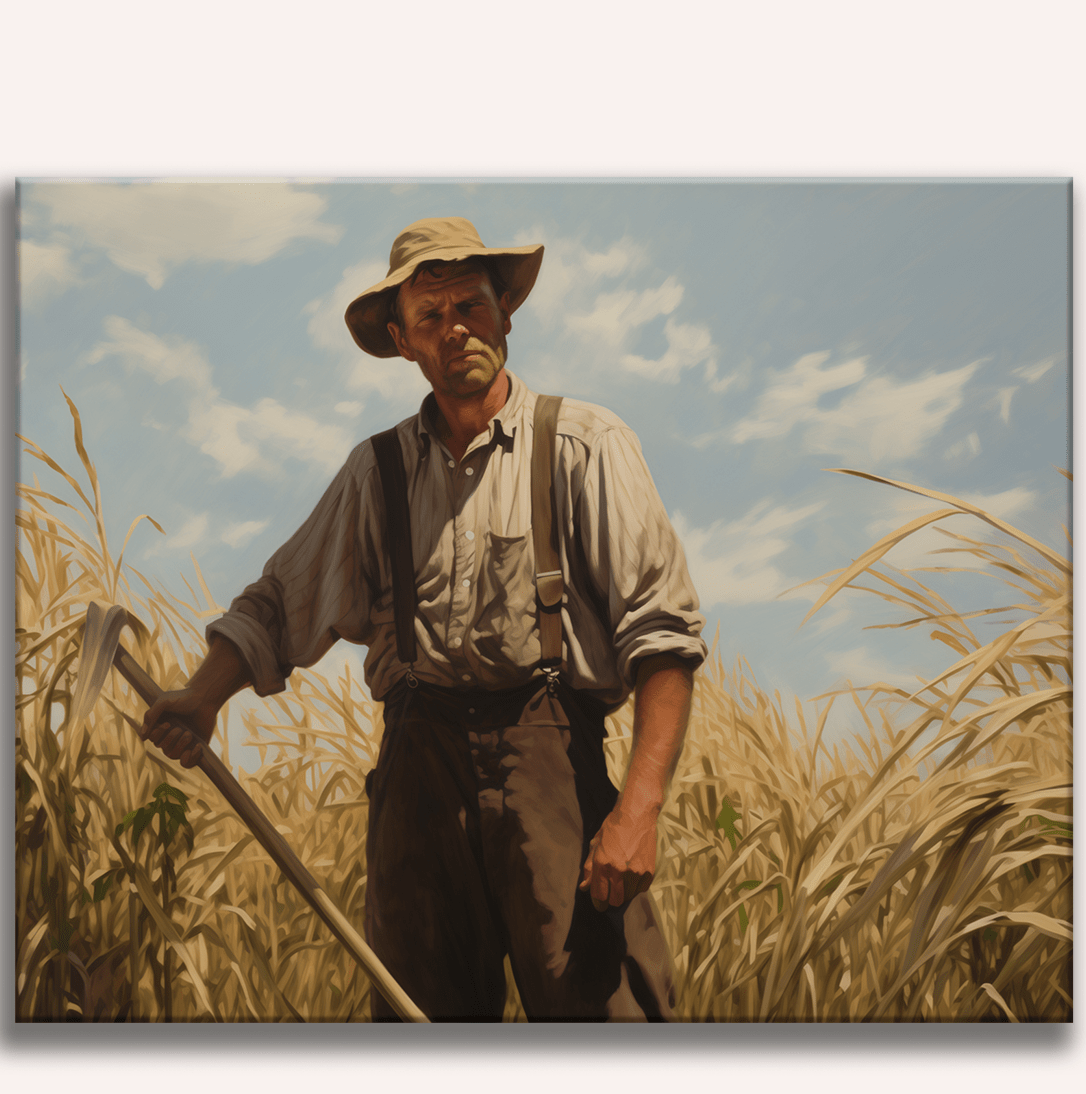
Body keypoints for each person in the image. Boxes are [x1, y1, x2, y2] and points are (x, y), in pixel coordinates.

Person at [141, 217, 707, 1021]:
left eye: (471, 308)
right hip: (418, 776)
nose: (457, 331)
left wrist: (638, 811)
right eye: (432, 319)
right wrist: (202, 697)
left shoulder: (585, 446)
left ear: (505, 313)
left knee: (607, 1016)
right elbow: (280, 601)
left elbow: (664, 642)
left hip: (551, 770)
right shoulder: (376, 473)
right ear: (404, 341)